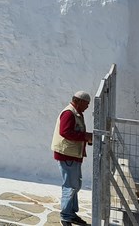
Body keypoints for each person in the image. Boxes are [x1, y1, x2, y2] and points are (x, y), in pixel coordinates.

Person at [52, 90, 93, 226]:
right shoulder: (69, 113)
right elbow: (65, 132)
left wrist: (86, 137)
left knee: (75, 185)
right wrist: (85, 136)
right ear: (79, 101)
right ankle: (65, 216)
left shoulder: (75, 113)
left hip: (72, 154)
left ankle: (71, 213)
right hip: (67, 154)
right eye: (86, 104)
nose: (87, 107)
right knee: (70, 186)